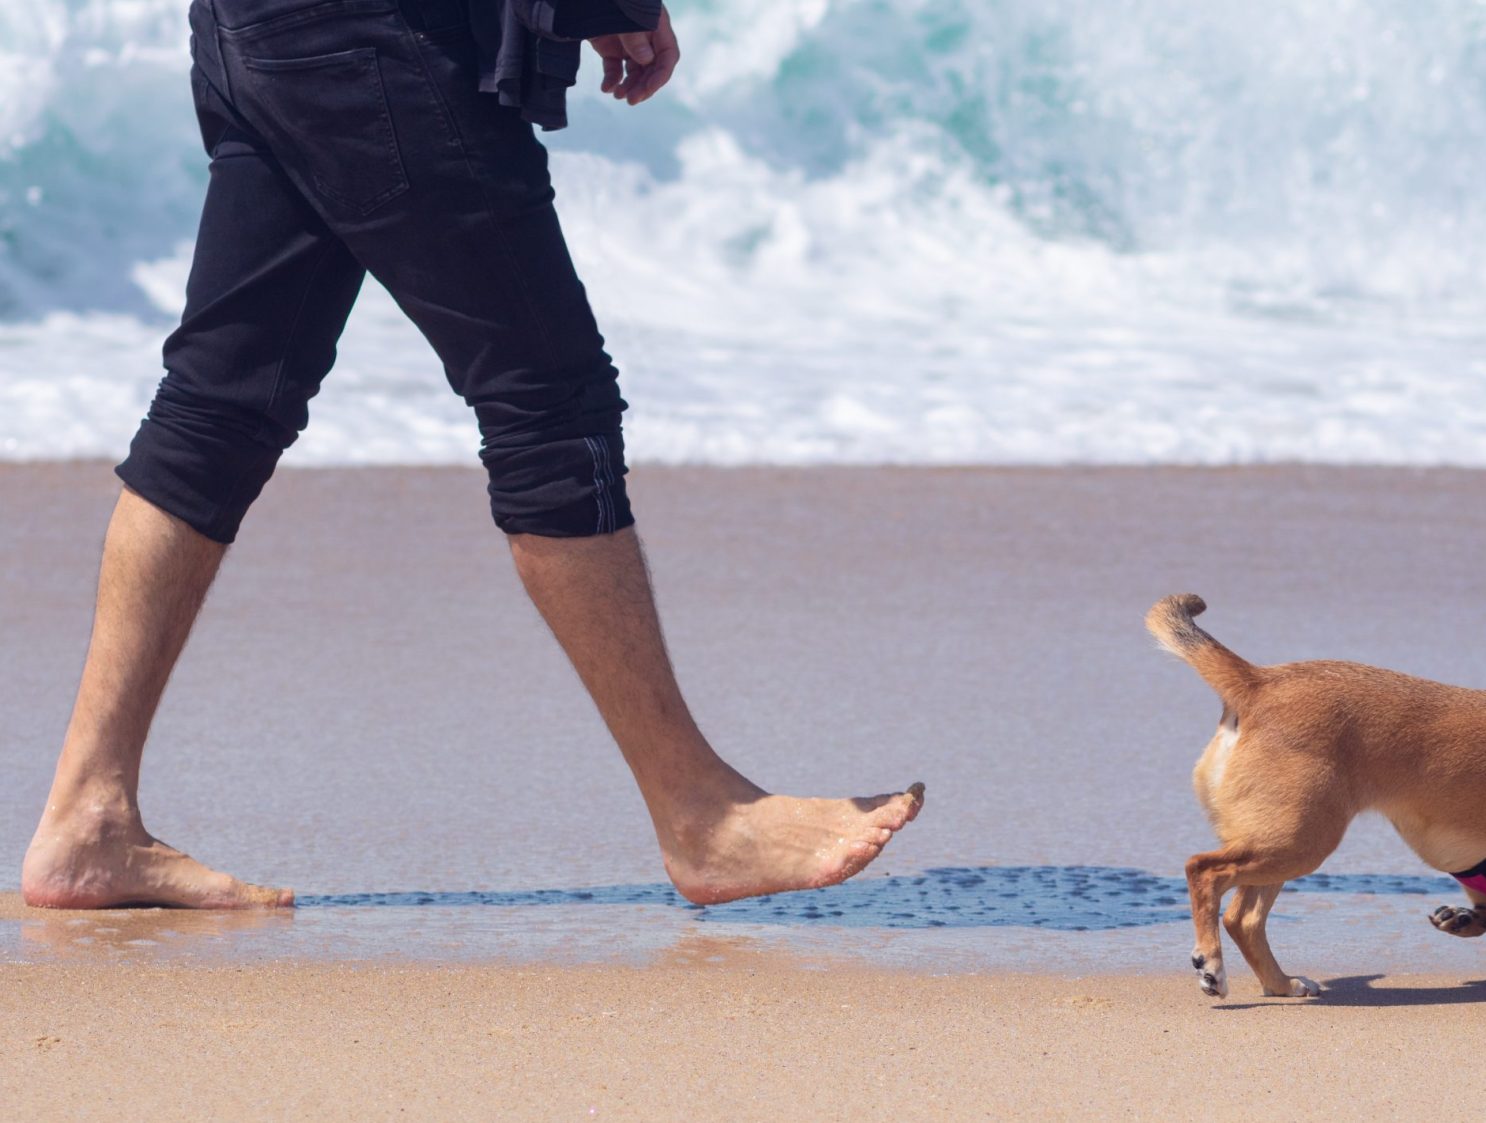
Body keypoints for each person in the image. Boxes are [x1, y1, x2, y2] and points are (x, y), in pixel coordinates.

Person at [19, 0, 922, 910]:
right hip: (375, 41)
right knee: (551, 407)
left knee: (217, 409)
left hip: (253, 32)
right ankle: (703, 815)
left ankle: (86, 815)